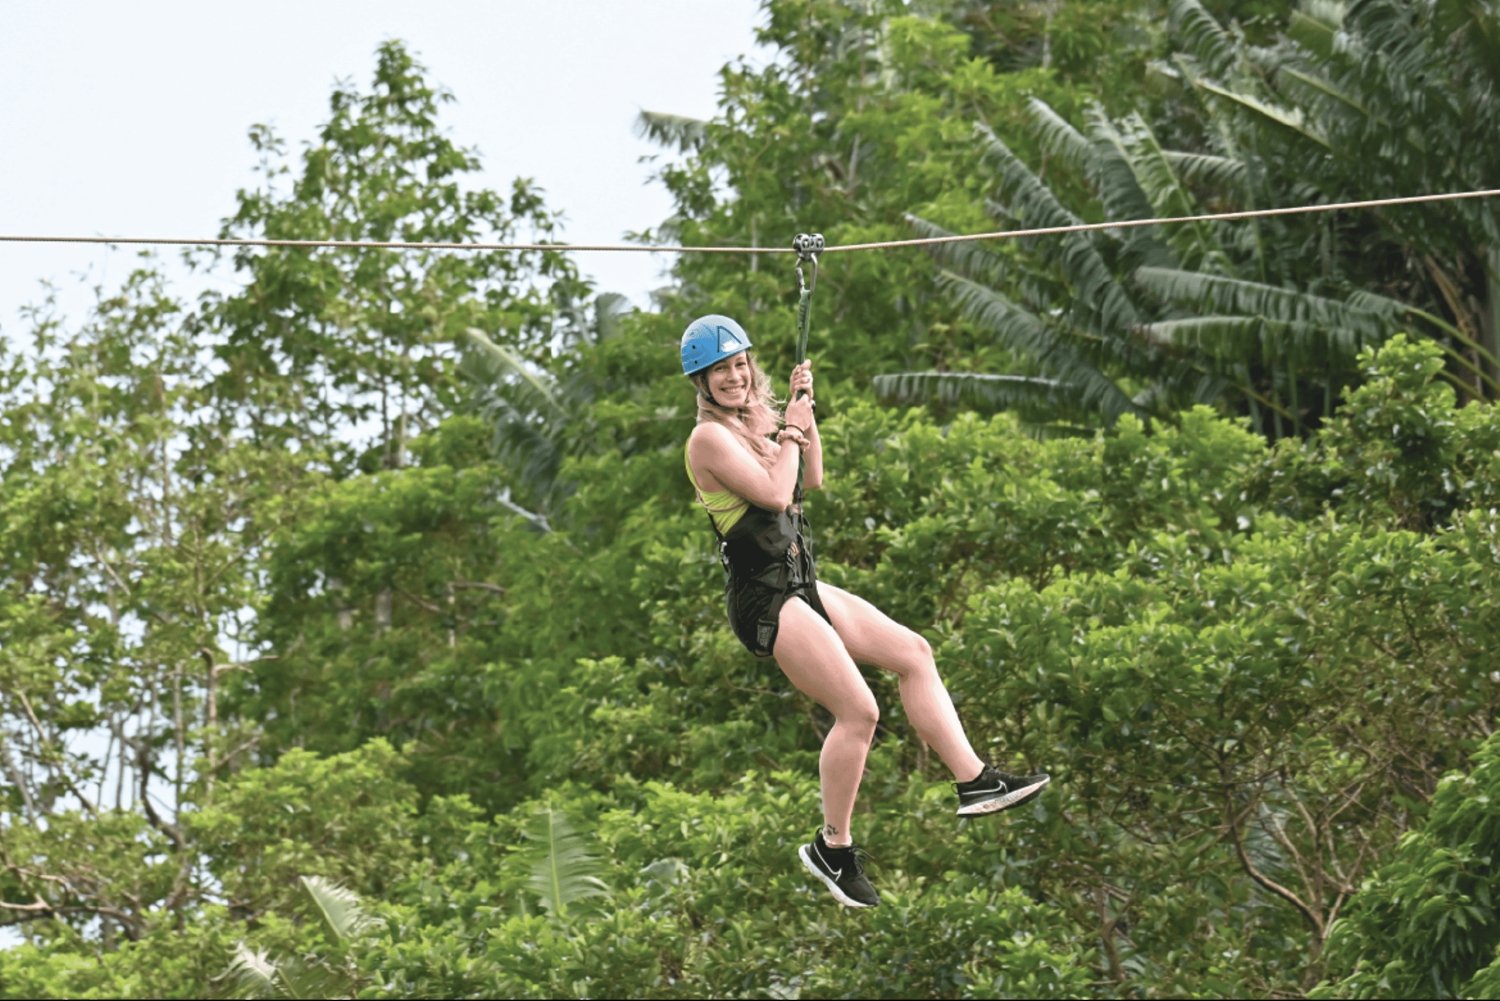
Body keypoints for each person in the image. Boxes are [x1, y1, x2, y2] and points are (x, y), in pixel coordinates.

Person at [680, 314, 1049, 909]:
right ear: (700, 381)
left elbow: (811, 479)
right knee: (859, 711)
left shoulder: (757, 423)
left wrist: (803, 412)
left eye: (739, 363)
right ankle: (833, 846)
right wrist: (791, 433)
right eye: (719, 370)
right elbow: (775, 495)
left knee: (913, 653)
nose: (734, 377)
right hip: (766, 597)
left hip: (802, 581)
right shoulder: (709, 440)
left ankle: (975, 781)